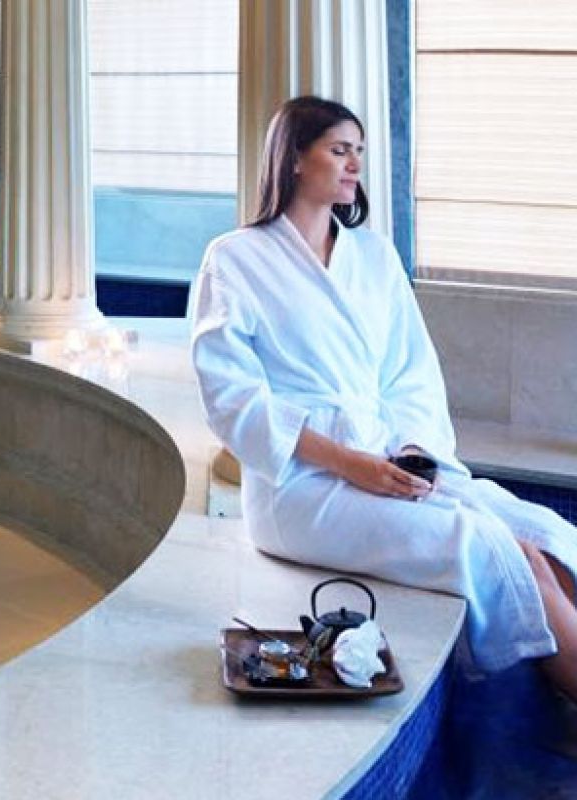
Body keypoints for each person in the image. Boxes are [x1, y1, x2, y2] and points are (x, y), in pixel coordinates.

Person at [189, 95, 577, 698]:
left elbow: (408, 373)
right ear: (295, 158)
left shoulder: (372, 256)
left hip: (385, 462)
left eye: (359, 152)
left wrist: (412, 452)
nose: (355, 165)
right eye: (339, 150)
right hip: (300, 489)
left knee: (541, 532)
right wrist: (350, 463)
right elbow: (232, 400)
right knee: (483, 545)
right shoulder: (236, 259)